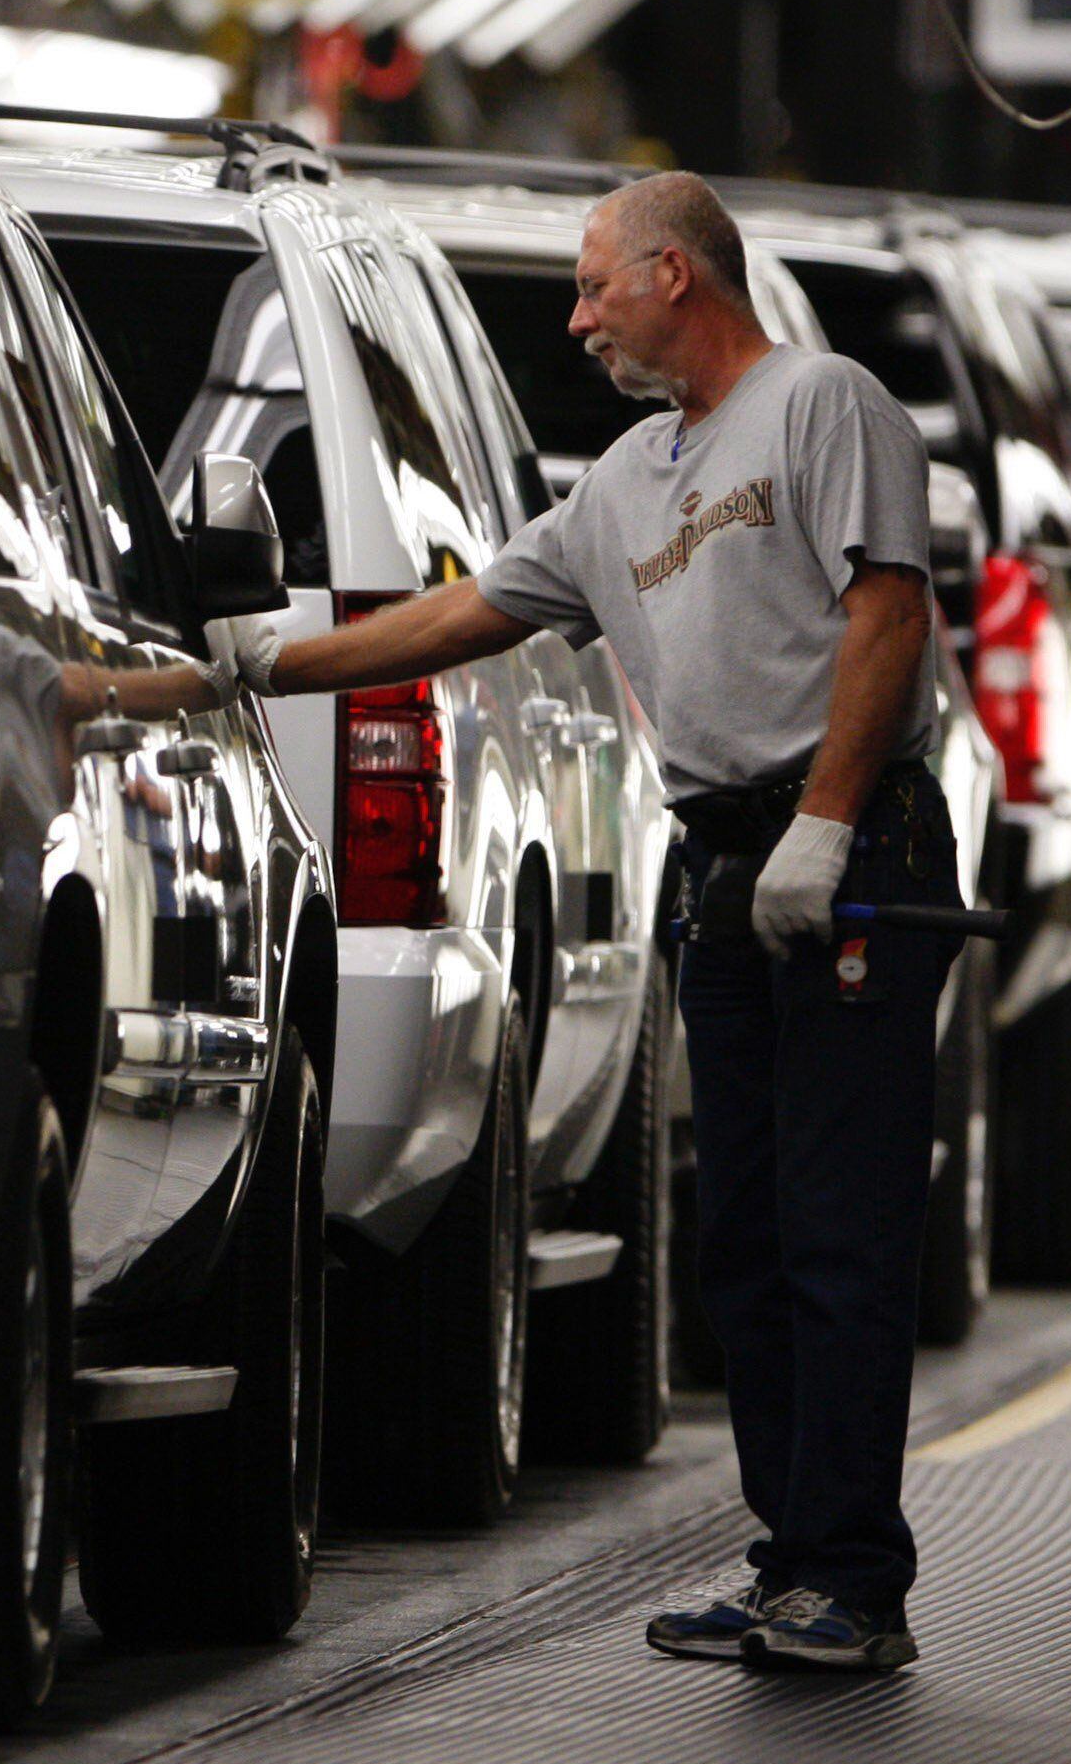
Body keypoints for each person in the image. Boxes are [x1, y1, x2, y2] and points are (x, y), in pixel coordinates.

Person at [191, 172, 950, 1674]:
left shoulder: (824, 403)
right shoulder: (625, 482)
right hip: (731, 865)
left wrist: (823, 821)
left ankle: (856, 1583)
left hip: (847, 845)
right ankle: (793, 1556)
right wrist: (255, 670)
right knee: (743, 1238)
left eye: (599, 286)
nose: (581, 316)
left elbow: (889, 611)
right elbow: (463, 617)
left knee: (841, 1232)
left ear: (677, 273)